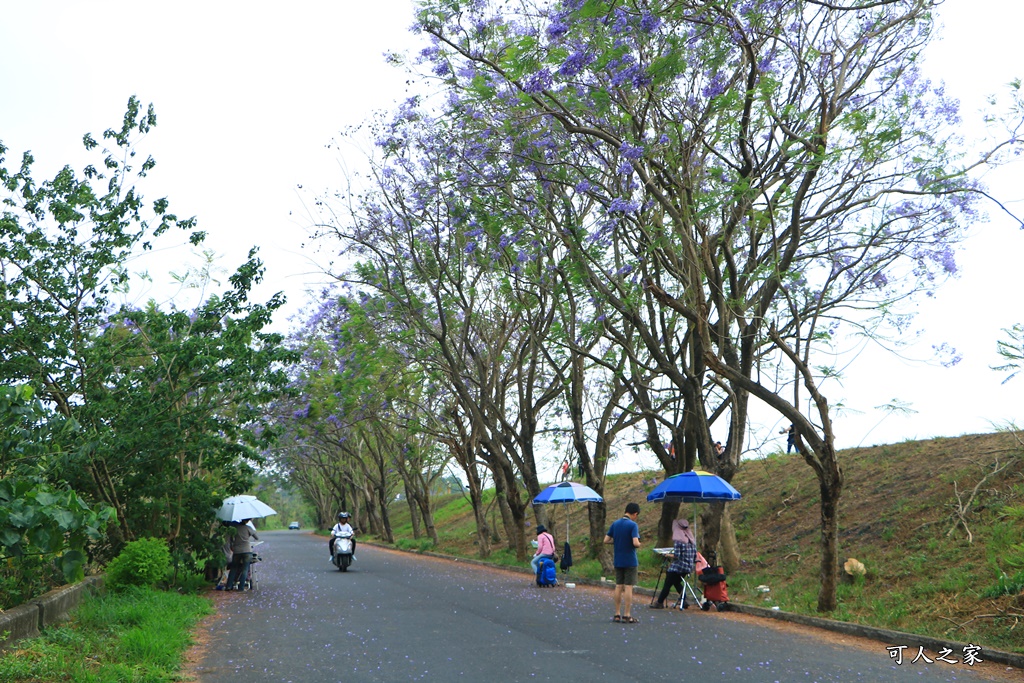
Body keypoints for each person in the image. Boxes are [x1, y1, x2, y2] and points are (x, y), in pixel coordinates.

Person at [604, 502, 641, 624]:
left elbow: (606, 540)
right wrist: (639, 544)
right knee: (628, 586)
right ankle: (627, 615)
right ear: (635, 514)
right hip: (630, 560)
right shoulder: (633, 525)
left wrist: (617, 542)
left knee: (618, 586)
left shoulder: (615, 524)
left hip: (618, 559)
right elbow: (635, 543)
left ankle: (616, 613)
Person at [651, 518, 697, 609]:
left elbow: (677, 555)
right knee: (676, 582)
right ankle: (684, 600)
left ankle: (660, 602)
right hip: (689, 566)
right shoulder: (691, 540)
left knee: (668, 582)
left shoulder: (678, 540)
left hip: (679, 566)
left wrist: (667, 555)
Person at [225, 518, 259, 591]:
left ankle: (229, 586)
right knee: (245, 569)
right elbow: (256, 537)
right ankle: (241, 587)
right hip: (247, 550)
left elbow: (231, 540)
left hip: (237, 551)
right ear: (247, 521)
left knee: (233, 568)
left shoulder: (234, 529)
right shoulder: (248, 528)